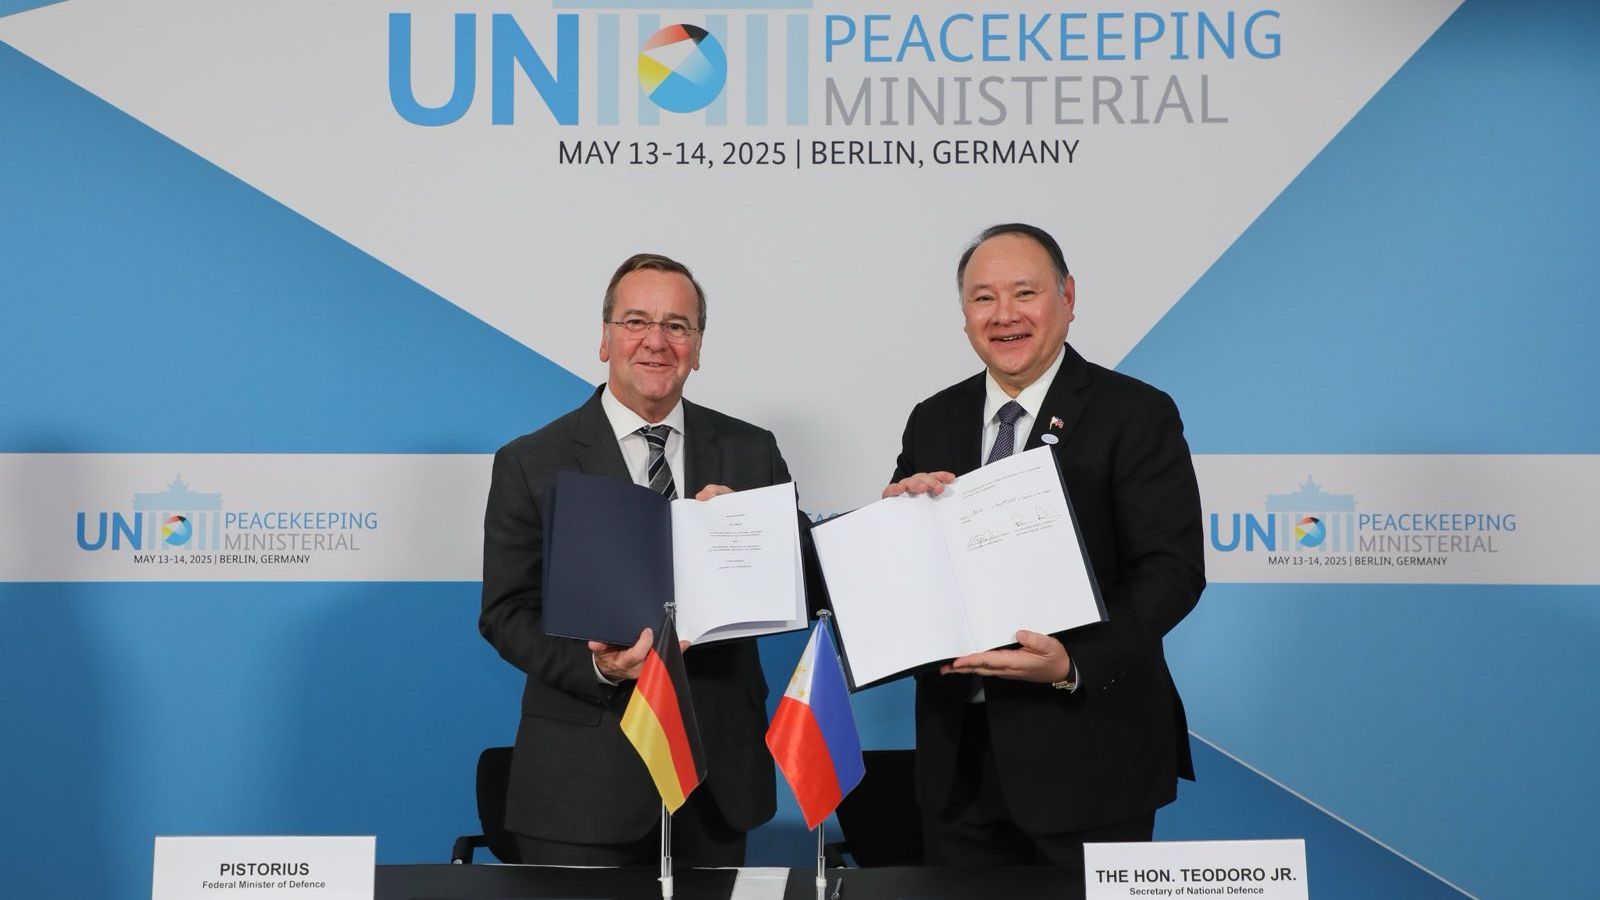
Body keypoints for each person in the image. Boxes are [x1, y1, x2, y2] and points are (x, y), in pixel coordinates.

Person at [884, 223, 1204, 869]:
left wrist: (1072, 662)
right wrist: (895, 526)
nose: (1004, 315)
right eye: (983, 298)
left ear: (1068, 297)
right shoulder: (933, 418)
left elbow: (1170, 570)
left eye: (1024, 293)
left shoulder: (1135, 413)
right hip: (959, 769)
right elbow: (911, 578)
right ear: (965, 315)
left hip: (1093, 759)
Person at [480, 253, 789, 866]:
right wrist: (600, 668)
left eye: (677, 325)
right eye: (636, 322)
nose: (656, 341)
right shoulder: (531, 461)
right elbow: (505, 612)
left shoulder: (751, 452)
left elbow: (798, 578)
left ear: (697, 347)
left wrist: (758, 535)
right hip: (583, 784)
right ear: (605, 338)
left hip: (716, 781)